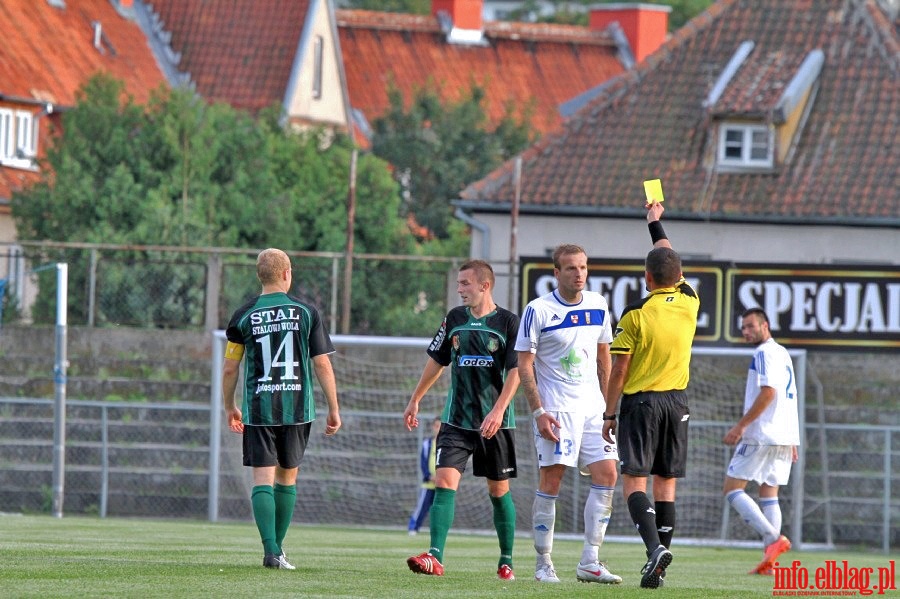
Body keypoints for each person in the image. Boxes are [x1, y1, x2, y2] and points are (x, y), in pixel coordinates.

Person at [222, 248, 341, 569]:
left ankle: (271, 550)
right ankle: (279, 550)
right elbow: (322, 364)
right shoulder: (307, 312)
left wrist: (230, 406)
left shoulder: (243, 316)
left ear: (260, 276)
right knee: (287, 479)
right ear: (287, 273)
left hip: (259, 408)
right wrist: (334, 407)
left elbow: (230, 368)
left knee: (262, 480)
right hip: (298, 408)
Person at [403, 259, 520, 580]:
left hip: (495, 423)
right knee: (443, 481)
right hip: (455, 420)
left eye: (465, 284)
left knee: (498, 491)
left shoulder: (509, 322)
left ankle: (506, 560)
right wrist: (416, 398)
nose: (459, 289)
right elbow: (437, 360)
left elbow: (517, 370)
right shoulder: (454, 319)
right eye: (458, 284)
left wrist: (498, 410)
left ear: (485, 286)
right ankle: (435, 556)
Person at [602, 201, 699, 589]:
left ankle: (655, 549)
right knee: (666, 483)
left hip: (642, 403)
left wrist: (609, 414)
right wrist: (655, 222)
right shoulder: (690, 301)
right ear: (678, 276)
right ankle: (656, 568)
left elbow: (620, 369)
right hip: (678, 402)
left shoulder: (635, 314)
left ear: (647, 278)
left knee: (634, 482)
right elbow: (666, 256)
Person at [515, 244, 623, 585]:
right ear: (556, 273)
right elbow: (524, 364)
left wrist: (609, 409)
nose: (579, 274)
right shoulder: (539, 310)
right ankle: (543, 563)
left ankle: (590, 561)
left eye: (583, 267)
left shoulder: (598, 304)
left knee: (608, 475)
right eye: (571, 268)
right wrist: (539, 412)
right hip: (557, 411)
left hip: (593, 410)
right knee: (552, 482)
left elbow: (604, 356)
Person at [723, 308, 798, 575]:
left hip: (761, 433)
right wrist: (791, 438)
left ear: (765, 325)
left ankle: (773, 538)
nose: (746, 332)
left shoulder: (764, 353)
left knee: (732, 489)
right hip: (783, 434)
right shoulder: (782, 352)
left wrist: (741, 426)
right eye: (743, 327)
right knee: (769, 493)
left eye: (751, 326)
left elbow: (769, 392)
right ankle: (771, 561)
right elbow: (788, 396)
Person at [407, 416, 441, 535]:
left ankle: (438, 532)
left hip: (442, 485)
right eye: (436, 426)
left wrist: (442, 479)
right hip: (428, 483)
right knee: (422, 508)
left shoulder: (447, 446)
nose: (438, 429)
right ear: (433, 427)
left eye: (441, 427)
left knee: (440, 510)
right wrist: (429, 476)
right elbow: (423, 462)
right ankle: (413, 528)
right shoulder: (427, 444)